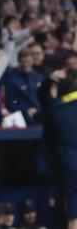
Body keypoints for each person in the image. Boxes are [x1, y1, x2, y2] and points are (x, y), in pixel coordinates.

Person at [41, 68, 77, 229]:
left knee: (72, 202)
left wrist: (50, 81)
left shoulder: (56, 109)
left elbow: (43, 104)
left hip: (68, 164)